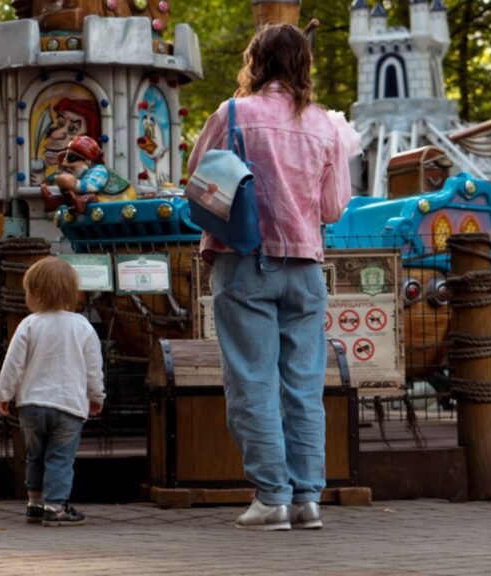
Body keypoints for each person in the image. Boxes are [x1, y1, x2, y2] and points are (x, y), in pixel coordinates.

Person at [185, 24, 353, 531]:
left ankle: (272, 498)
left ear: (256, 60)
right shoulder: (325, 125)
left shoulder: (232, 114)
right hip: (305, 269)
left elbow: (197, 177)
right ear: (304, 63)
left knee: (252, 382)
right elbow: (334, 206)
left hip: (244, 261)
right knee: (303, 388)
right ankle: (308, 500)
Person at [0, 256, 106, 527]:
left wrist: (3, 393)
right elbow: (94, 368)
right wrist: (96, 396)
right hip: (69, 406)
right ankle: (55, 507)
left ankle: (34, 502)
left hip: (32, 404)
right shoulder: (83, 327)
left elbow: (13, 364)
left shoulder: (29, 325)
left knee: (35, 454)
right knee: (59, 456)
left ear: (36, 293)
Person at [40, 135, 136, 215]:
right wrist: (59, 173)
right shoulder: (79, 173)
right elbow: (61, 181)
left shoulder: (99, 171)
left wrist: (73, 183)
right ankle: (54, 201)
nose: (65, 163)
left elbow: (88, 186)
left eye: (71, 158)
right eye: (64, 158)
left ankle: (81, 203)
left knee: (90, 197)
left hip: (119, 199)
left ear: (88, 162)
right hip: (102, 203)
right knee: (71, 196)